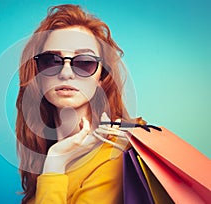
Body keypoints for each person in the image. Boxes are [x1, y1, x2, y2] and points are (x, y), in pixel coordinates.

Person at [16, 4, 136, 204]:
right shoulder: (44, 161)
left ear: (101, 76)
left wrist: (55, 163)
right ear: (38, 74)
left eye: (84, 62)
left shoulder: (115, 155)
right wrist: (55, 161)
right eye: (52, 61)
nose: (66, 73)